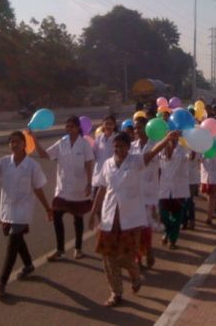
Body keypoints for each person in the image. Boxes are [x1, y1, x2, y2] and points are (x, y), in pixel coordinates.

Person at [89, 130, 179, 307]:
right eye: (115, 147)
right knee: (108, 258)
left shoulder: (136, 161)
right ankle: (116, 292)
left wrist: (165, 139)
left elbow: (151, 154)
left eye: (122, 146)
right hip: (109, 216)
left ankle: (135, 275)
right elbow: (101, 189)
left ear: (128, 148)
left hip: (131, 217)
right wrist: (93, 212)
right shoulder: (107, 164)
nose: (118, 150)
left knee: (126, 256)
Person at [0, 131, 53, 297]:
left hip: (23, 211)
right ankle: (28, 264)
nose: (14, 145)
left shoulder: (32, 166)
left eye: (18, 142)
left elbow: (38, 188)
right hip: (7, 210)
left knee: (12, 244)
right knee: (16, 239)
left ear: (25, 144)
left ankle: (2, 282)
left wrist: (48, 208)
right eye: (11, 142)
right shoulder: (4, 163)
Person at [32, 116, 94, 261]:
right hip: (62, 189)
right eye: (67, 126)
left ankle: (78, 249)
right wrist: (34, 139)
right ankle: (60, 250)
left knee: (78, 219)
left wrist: (89, 184)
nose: (69, 129)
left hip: (79, 188)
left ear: (78, 128)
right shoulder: (62, 142)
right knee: (57, 216)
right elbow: (44, 155)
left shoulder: (84, 144)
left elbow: (89, 164)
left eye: (72, 126)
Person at [130, 117, 159, 268]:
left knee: (145, 227)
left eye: (140, 127)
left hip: (149, 193)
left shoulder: (155, 146)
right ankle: (138, 257)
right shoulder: (131, 147)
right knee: (135, 227)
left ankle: (148, 249)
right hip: (134, 193)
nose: (137, 131)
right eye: (135, 128)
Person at [158, 131, 190, 249]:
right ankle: (168, 230)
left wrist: (196, 145)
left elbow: (191, 157)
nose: (172, 137)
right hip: (163, 188)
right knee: (162, 215)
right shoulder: (160, 149)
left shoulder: (184, 149)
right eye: (170, 134)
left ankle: (172, 240)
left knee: (177, 217)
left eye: (175, 135)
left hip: (178, 188)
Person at [92, 116, 117, 197]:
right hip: (98, 174)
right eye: (106, 124)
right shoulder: (99, 138)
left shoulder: (117, 138)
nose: (109, 126)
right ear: (103, 125)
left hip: (112, 175)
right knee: (95, 201)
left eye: (111, 124)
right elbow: (93, 154)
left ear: (114, 125)